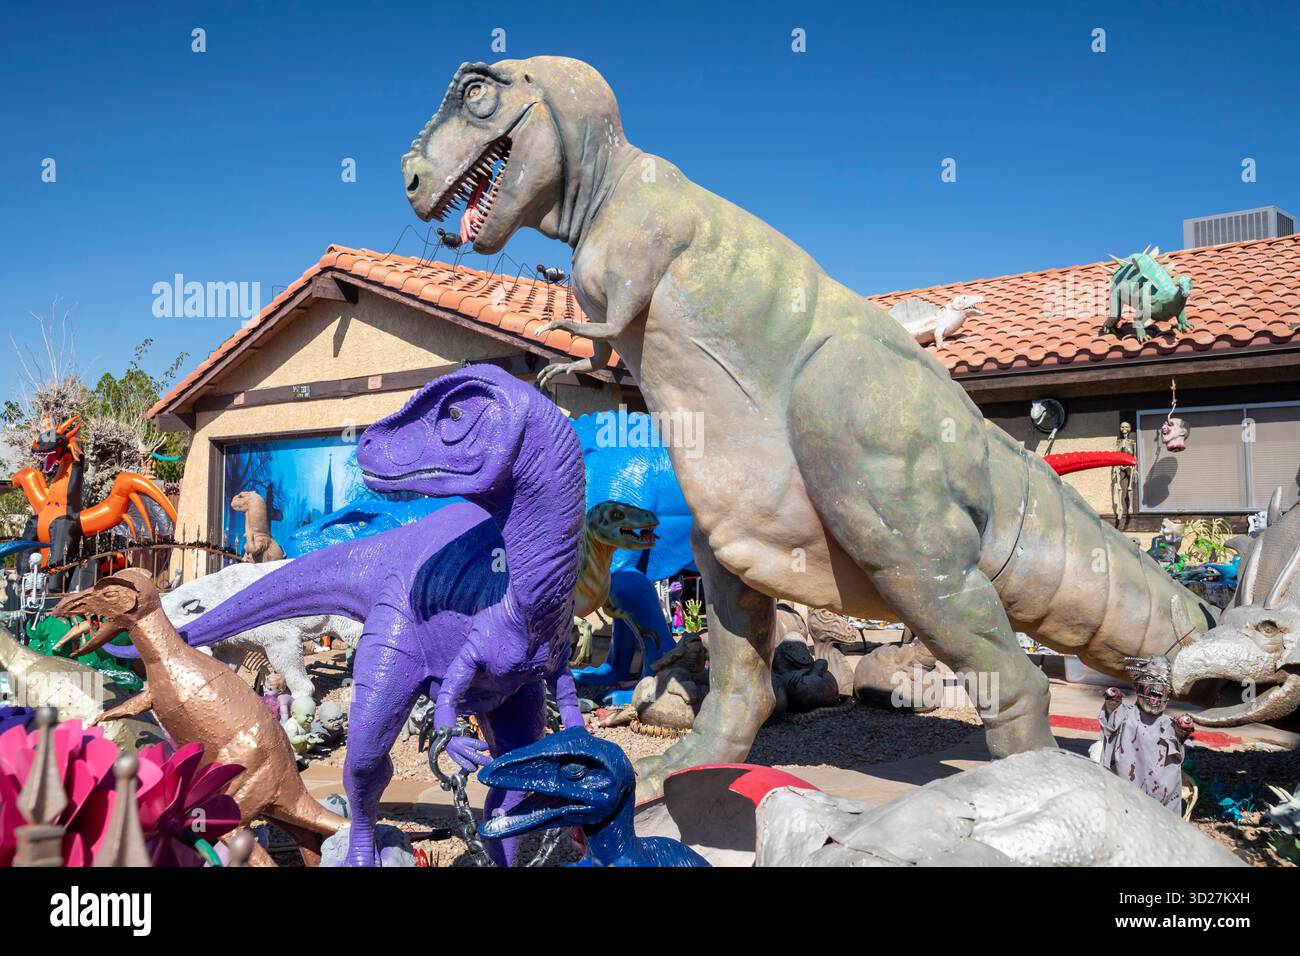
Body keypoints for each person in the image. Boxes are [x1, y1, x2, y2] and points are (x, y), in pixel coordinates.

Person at [1098, 655, 1193, 812]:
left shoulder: (1169, 724)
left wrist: (1181, 731)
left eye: (1164, 681)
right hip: (1124, 798)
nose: (1157, 685)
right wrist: (1111, 703)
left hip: (1161, 805)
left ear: (1169, 692)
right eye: (1150, 677)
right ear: (1138, 685)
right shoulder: (1125, 714)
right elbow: (1110, 720)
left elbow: (1178, 746)